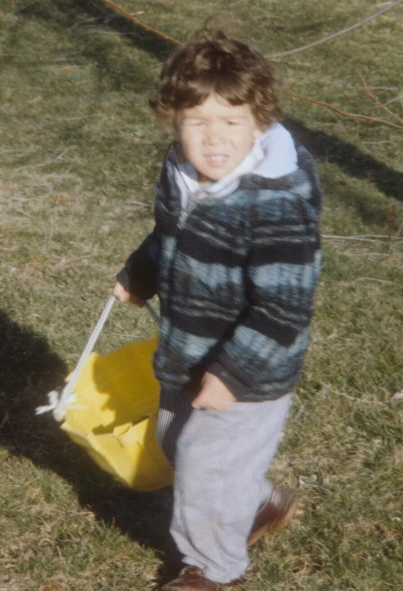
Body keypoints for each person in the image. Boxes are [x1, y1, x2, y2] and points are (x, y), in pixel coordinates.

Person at [113, 32, 321, 590]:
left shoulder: (275, 202)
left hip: (249, 371)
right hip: (186, 348)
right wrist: (141, 274)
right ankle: (257, 503)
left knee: (206, 471)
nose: (213, 139)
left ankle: (214, 569)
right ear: (171, 120)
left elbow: (284, 307)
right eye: (196, 122)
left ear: (258, 121)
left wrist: (233, 375)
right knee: (178, 445)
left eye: (230, 122)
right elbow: (168, 234)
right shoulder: (180, 173)